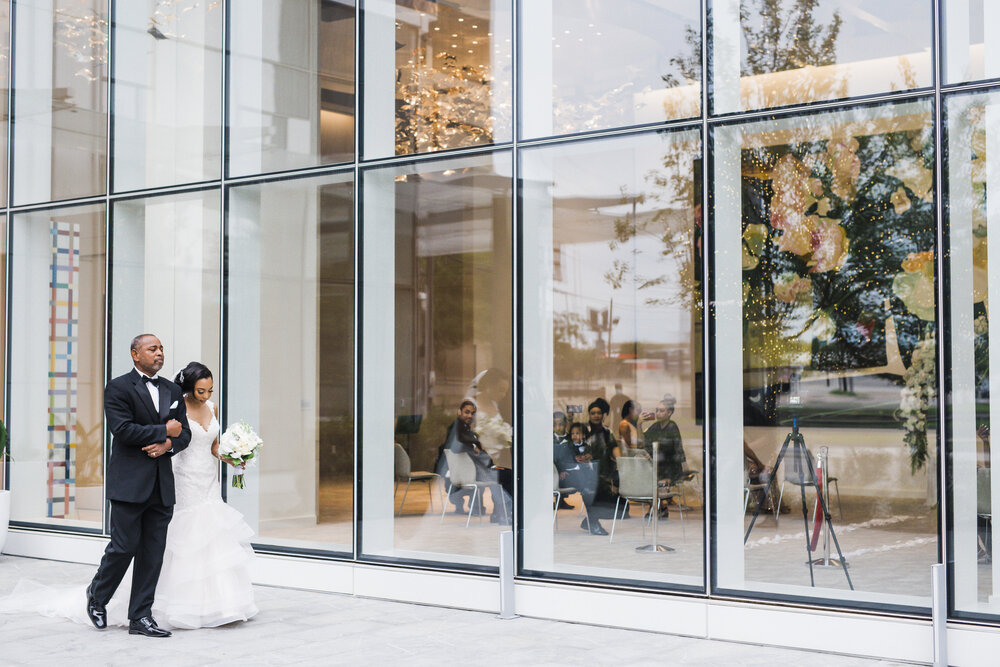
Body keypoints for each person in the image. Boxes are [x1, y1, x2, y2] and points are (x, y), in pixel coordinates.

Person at [87, 334, 192, 637]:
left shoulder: (172, 389)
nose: (159, 353)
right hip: (129, 484)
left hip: (161, 486)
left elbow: (184, 435)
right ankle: (97, 596)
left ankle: (141, 617)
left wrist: (168, 443)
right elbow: (122, 430)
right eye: (152, 349)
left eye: (161, 349)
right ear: (135, 354)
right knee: (123, 547)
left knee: (152, 552)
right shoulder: (118, 387)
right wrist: (163, 430)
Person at [150, 361, 258, 628]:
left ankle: (223, 604)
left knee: (214, 533)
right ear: (189, 388)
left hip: (208, 478)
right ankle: (179, 604)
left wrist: (233, 458)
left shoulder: (212, 408)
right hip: (183, 477)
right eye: (201, 391)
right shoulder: (176, 408)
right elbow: (172, 442)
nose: (207, 396)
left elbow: (214, 446)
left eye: (210, 390)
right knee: (187, 535)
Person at [444, 399, 513, 524]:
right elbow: (461, 447)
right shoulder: (458, 433)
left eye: (473, 413)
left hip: (482, 469)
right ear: (459, 412)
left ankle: (500, 513)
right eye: (467, 412)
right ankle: (504, 512)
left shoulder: (466, 433)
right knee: (508, 475)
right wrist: (475, 443)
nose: (470, 415)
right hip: (479, 472)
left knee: (505, 472)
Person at [554, 423, 608, 535]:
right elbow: (559, 460)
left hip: (582, 474)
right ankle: (593, 523)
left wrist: (588, 458)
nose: (574, 436)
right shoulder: (566, 446)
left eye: (577, 433)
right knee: (588, 485)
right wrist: (562, 471)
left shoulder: (588, 447)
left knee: (599, 485)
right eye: (572, 433)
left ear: (583, 435)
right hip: (569, 475)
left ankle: (590, 520)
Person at [642, 396, 686, 484]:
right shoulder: (655, 426)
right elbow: (643, 441)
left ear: (669, 413)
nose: (658, 413)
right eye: (657, 410)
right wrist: (639, 423)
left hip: (670, 467)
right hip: (658, 465)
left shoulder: (672, 427)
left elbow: (678, 448)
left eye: (661, 411)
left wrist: (684, 466)